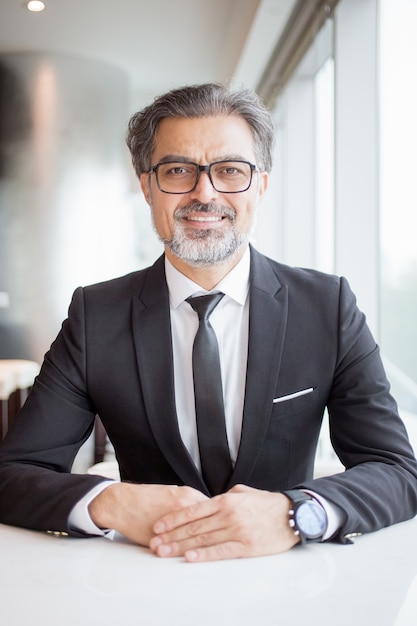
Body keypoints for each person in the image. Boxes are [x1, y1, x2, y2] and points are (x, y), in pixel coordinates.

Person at [0, 83, 416, 563]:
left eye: (230, 171)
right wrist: (111, 501)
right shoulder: (97, 315)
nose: (205, 193)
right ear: (146, 185)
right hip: (142, 580)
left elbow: (396, 470)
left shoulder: (328, 306)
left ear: (260, 184)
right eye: (178, 170)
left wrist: (297, 513)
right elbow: (14, 472)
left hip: (291, 588)